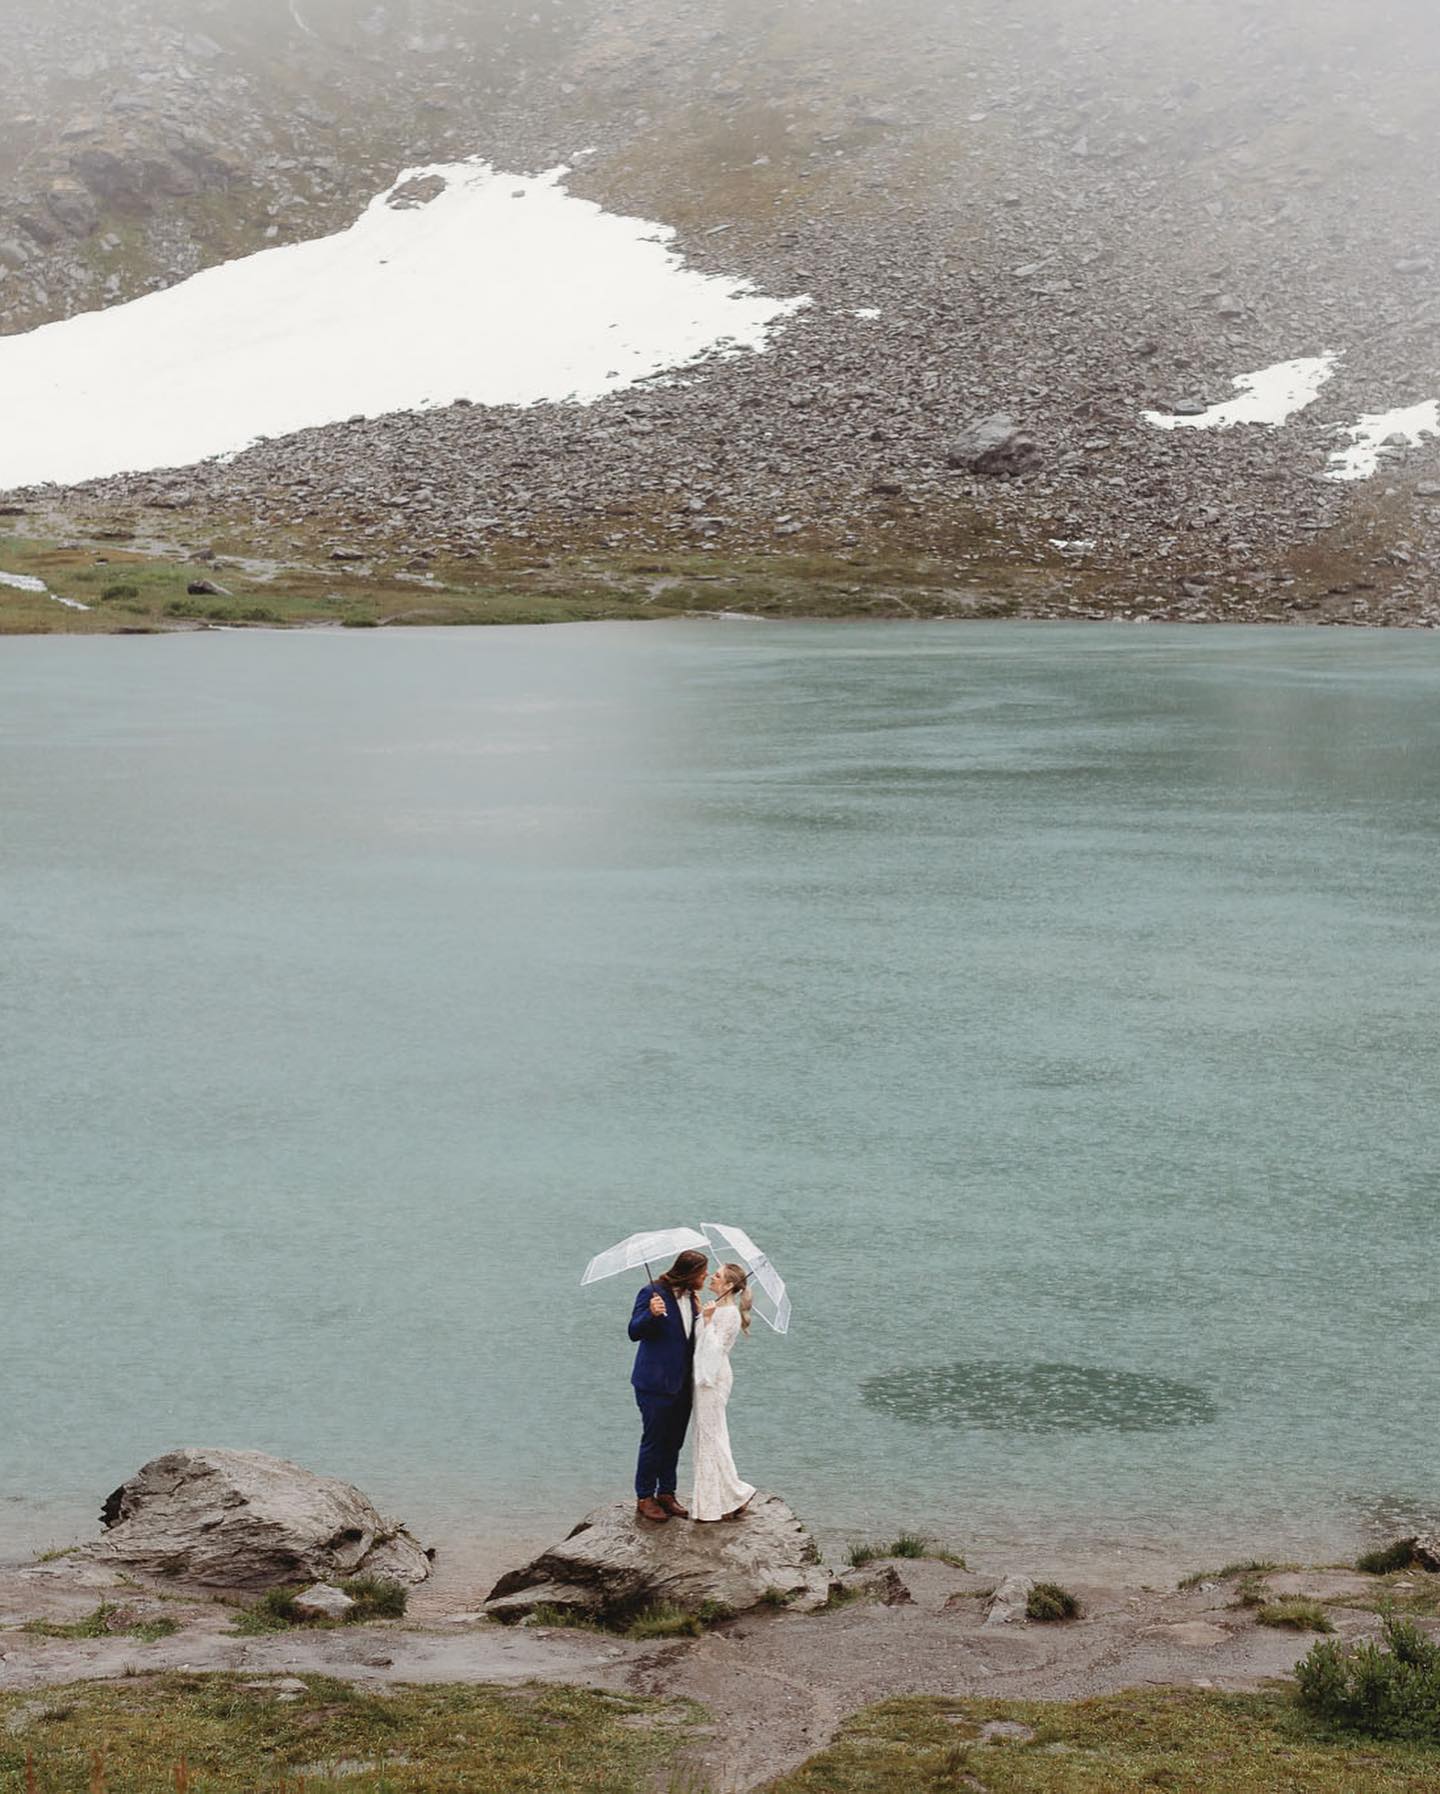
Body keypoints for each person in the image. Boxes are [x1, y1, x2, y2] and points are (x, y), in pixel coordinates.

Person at [628, 1248, 709, 1523]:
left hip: (683, 1384)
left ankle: (667, 1492)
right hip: (654, 1383)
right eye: (702, 1273)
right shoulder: (652, 1293)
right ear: (690, 1273)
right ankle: (644, 1497)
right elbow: (633, 1331)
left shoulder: (693, 1298)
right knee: (654, 1441)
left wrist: (705, 1316)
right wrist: (650, 1314)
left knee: (674, 1441)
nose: (706, 1277)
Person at [690, 1262, 757, 1523]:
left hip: (713, 1378)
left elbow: (715, 1349)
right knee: (709, 1435)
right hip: (705, 1375)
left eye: (716, 1276)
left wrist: (707, 1320)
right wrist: (702, 1313)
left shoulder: (729, 1313)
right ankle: (729, 1496)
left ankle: (726, 1498)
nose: (711, 1278)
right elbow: (702, 1340)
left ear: (728, 1285)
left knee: (710, 1436)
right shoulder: (717, 1307)